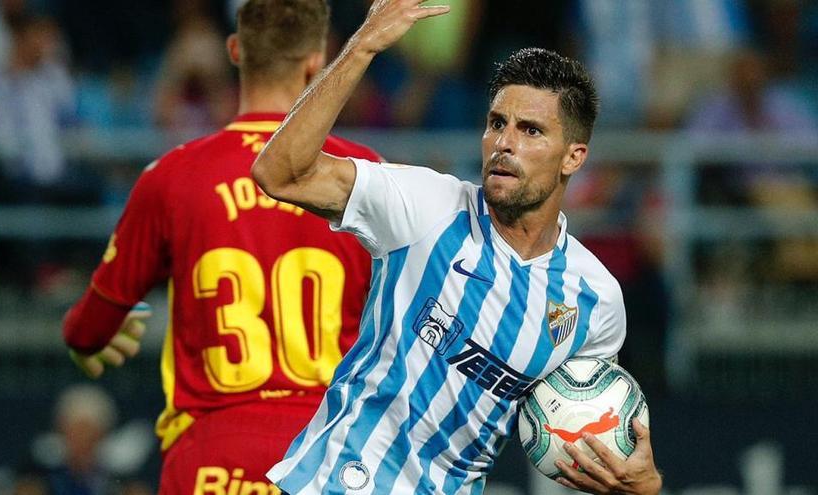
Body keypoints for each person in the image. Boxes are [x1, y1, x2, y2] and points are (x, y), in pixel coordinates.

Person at [252, 1, 662, 494]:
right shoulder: (427, 205)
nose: (503, 143)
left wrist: (641, 486)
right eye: (496, 123)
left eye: (530, 130)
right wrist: (362, 47)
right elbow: (279, 173)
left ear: (574, 157)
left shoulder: (596, 301)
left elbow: (592, 442)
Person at [61, 1, 382, 493]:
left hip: (210, 458)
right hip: (328, 454)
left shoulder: (172, 176)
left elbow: (89, 329)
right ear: (318, 60)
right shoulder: (364, 174)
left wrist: (89, 338)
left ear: (234, 50)